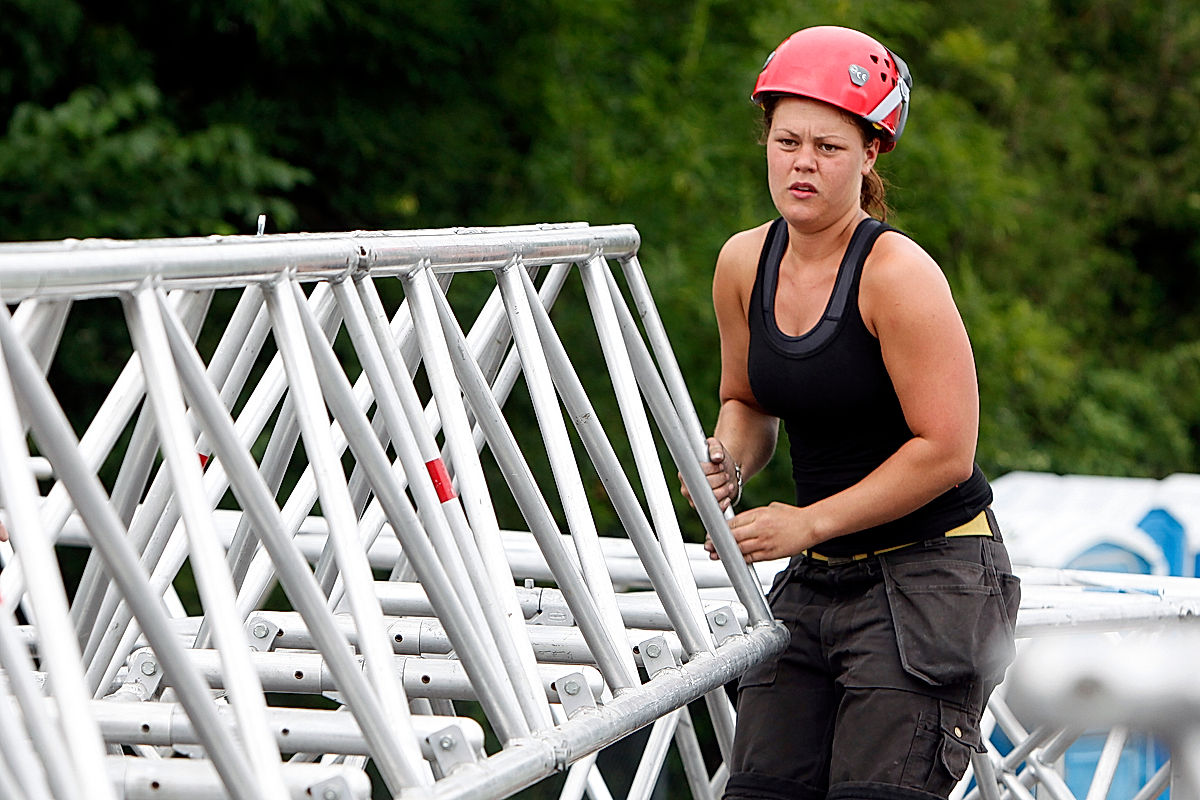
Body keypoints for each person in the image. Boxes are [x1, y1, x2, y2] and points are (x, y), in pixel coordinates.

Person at [688, 26, 1021, 800]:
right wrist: (728, 463)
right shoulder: (742, 262)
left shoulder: (898, 274)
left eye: (828, 147)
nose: (802, 163)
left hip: (931, 575)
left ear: (872, 153)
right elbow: (747, 400)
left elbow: (946, 450)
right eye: (787, 141)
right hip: (820, 575)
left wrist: (805, 523)